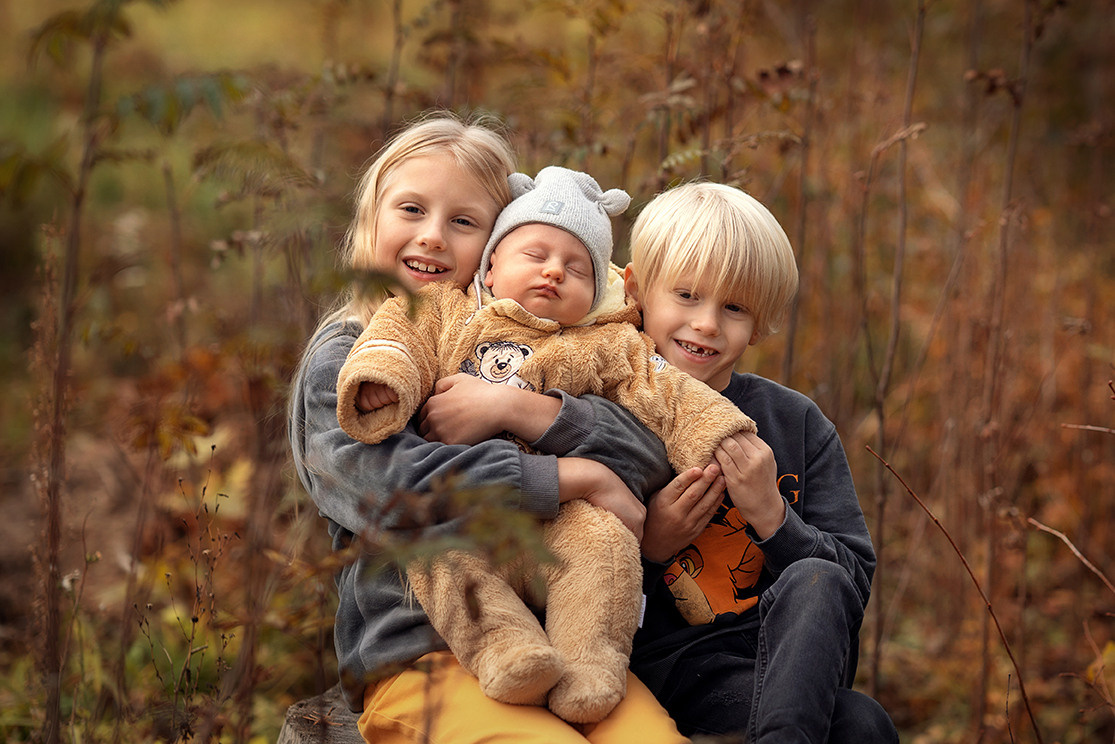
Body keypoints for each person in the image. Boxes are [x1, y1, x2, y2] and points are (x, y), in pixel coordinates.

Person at [288, 112, 688, 744]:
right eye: (411, 209)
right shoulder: (347, 361)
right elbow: (394, 490)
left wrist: (526, 411)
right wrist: (566, 476)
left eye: (464, 222)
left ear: (499, 246)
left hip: (564, 642)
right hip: (421, 655)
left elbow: (649, 452)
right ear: (372, 220)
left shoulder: (555, 343)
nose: (433, 237)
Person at [334, 165, 757, 724]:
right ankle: (508, 651)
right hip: (451, 560)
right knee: (434, 553)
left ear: (599, 288)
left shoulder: (606, 344)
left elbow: (669, 396)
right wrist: (380, 379)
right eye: (535, 255)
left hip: (561, 527)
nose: (554, 272)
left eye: (576, 267)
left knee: (604, 541)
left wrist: (725, 435)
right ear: (491, 264)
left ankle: (590, 664)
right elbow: (398, 340)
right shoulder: (445, 310)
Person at [621, 182, 899, 743]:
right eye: (686, 295)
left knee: (861, 710)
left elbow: (852, 587)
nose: (706, 324)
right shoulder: (611, 406)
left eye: (734, 307)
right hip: (658, 669)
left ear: (761, 320)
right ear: (636, 290)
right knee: (860, 726)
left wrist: (773, 516)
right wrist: (651, 546)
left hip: (780, 667)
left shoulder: (794, 423)